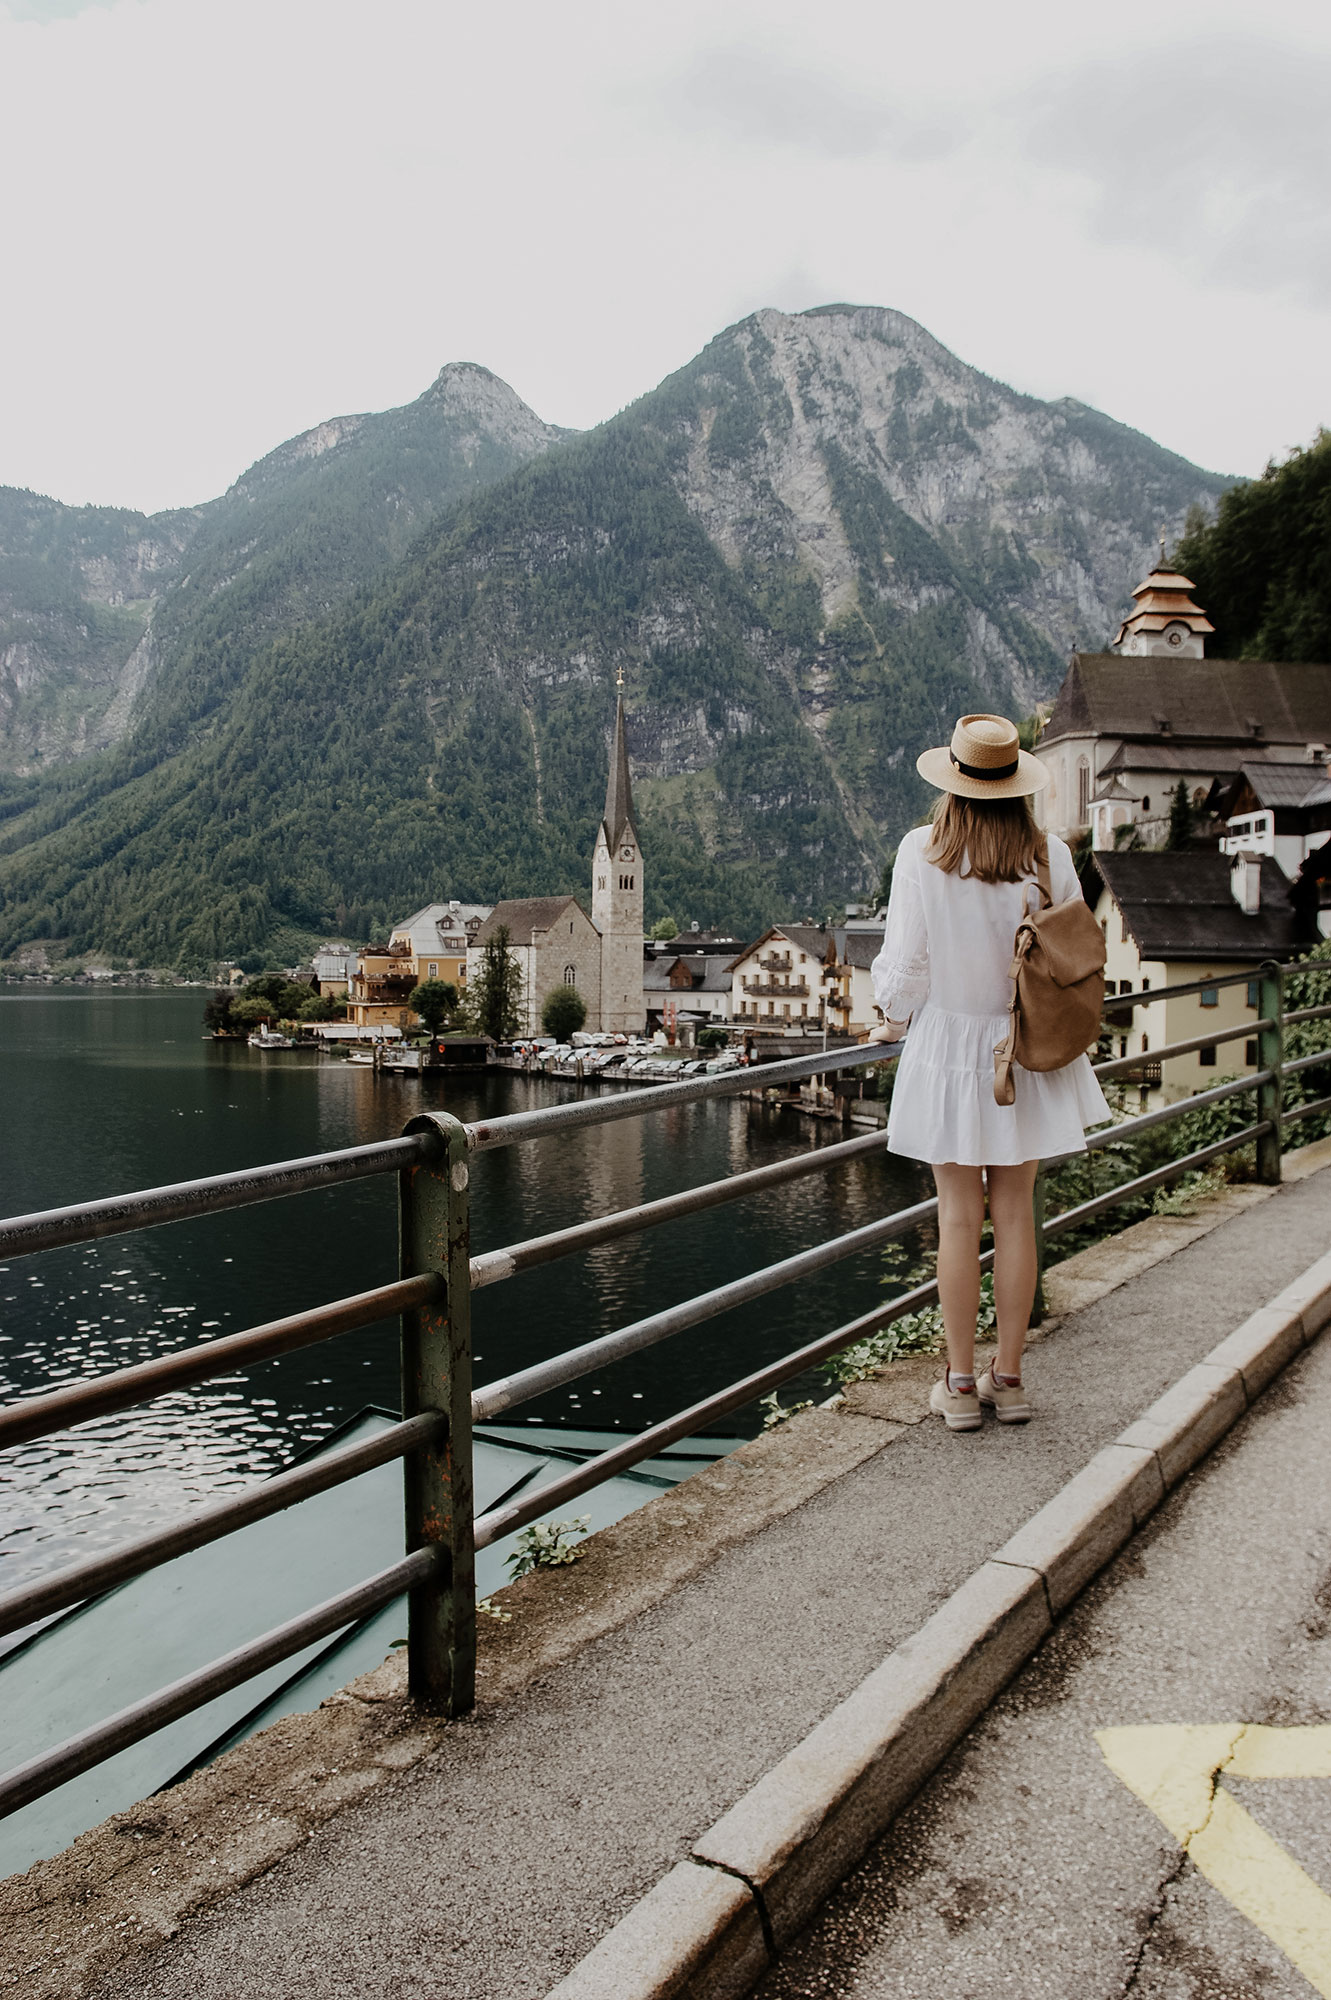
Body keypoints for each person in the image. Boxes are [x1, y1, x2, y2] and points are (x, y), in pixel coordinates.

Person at [867, 714, 1109, 1432]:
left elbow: (906, 970)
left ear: (952, 782)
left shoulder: (923, 850)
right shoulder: (1048, 856)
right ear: (1015, 785)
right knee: (1014, 1215)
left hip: (947, 1048)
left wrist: (887, 1012)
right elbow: (1070, 955)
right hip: (1024, 1048)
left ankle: (959, 1384)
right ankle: (1010, 1381)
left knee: (956, 1217)